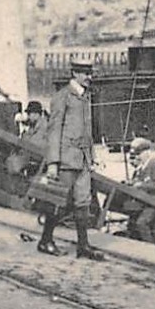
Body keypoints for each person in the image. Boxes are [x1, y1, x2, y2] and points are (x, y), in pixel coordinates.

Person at [39, 59, 105, 261]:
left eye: (90, 73)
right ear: (75, 73)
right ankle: (45, 240)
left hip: (83, 159)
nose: (89, 77)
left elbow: (87, 130)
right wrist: (52, 163)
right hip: (66, 159)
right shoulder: (62, 97)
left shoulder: (85, 97)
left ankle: (83, 245)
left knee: (82, 202)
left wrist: (92, 156)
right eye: (85, 73)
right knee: (57, 200)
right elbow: (54, 131)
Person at [125, 138, 155, 244]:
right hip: (147, 202)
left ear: (147, 153)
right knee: (153, 227)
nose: (138, 156)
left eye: (140, 153)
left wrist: (141, 185)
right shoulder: (142, 168)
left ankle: (151, 249)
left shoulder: (154, 166)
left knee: (142, 223)